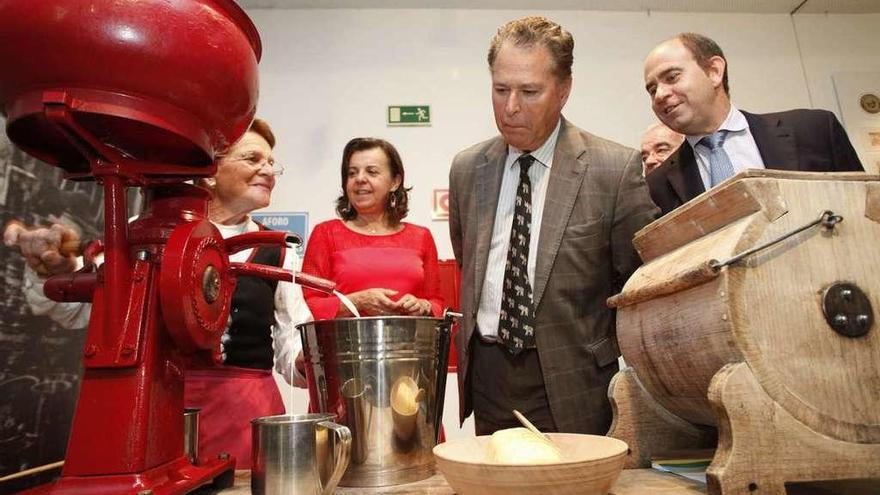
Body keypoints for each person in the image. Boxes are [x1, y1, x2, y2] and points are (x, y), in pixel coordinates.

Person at [3, 118, 310, 469]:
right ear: (210, 172)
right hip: (156, 411)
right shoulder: (143, 235)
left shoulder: (279, 250)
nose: (268, 170)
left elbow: (291, 340)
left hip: (247, 418)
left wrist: (306, 359)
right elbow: (73, 309)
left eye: (272, 163)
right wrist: (50, 267)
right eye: (253, 159)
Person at [448, 16, 658, 436]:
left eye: (529, 92)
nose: (510, 108)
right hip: (488, 376)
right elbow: (466, 258)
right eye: (500, 89)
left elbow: (637, 286)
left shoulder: (612, 169)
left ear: (563, 91)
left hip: (574, 379)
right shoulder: (468, 169)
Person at [643, 32, 864, 215]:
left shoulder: (814, 130)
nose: (660, 95)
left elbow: (867, 212)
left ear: (714, 72)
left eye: (672, 77)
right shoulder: (657, 185)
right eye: (652, 90)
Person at [301, 137, 443, 319]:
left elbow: (436, 301)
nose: (360, 179)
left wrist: (423, 306)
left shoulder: (421, 236)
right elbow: (307, 304)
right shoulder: (326, 233)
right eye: (352, 173)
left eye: (372, 172)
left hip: (408, 345)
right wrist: (356, 302)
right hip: (345, 345)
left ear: (395, 182)